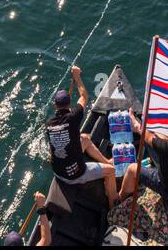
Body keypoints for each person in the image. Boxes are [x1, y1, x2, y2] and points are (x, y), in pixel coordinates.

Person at [44, 65, 120, 205]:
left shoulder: (49, 124)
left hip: (58, 172)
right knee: (111, 171)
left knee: (84, 138)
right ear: (69, 105)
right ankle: (113, 204)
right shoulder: (74, 116)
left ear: (55, 106)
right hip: (75, 174)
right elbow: (84, 96)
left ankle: (106, 160)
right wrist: (77, 76)